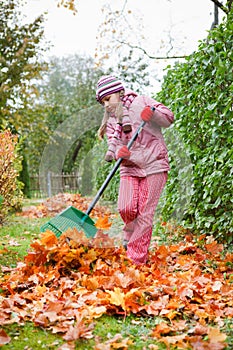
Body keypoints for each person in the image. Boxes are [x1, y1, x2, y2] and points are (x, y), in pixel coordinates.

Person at [96, 75, 174, 265]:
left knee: (145, 213)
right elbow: (114, 147)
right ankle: (128, 232)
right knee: (126, 207)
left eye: (108, 99)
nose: (106, 105)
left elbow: (168, 117)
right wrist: (120, 153)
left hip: (154, 165)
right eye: (103, 102)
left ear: (120, 93)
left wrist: (153, 113)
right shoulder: (111, 122)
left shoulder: (142, 101)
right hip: (130, 168)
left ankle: (136, 259)